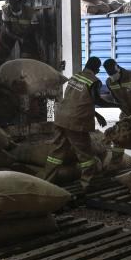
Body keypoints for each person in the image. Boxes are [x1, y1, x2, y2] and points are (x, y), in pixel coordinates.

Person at [44, 57, 108, 191]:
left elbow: (79, 101)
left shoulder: (75, 76)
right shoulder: (94, 81)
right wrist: (117, 104)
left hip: (61, 118)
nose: (98, 70)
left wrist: (97, 114)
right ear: (96, 68)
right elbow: (98, 101)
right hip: (75, 122)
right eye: (98, 67)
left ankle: (47, 181)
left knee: (55, 153)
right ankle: (87, 185)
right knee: (86, 155)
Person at [0, 0, 40, 73]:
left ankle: (26, 74)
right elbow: (8, 30)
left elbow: (34, 27)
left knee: (27, 56)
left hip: (26, 34)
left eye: (16, 7)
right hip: (10, 34)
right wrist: (18, 38)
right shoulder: (6, 10)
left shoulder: (30, 11)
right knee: (1, 53)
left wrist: (24, 37)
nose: (14, 9)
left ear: (21, 4)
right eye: (12, 7)